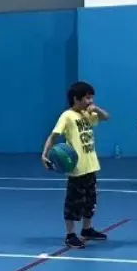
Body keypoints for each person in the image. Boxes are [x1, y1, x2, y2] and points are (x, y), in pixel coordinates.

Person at [41, 82, 110, 248]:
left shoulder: (87, 114)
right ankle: (70, 234)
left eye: (91, 97)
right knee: (73, 202)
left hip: (91, 165)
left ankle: (87, 229)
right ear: (75, 99)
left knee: (90, 201)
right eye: (87, 98)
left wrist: (95, 109)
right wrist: (44, 154)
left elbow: (106, 117)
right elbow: (53, 135)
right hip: (77, 168)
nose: (90, 101)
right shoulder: (67, 116)